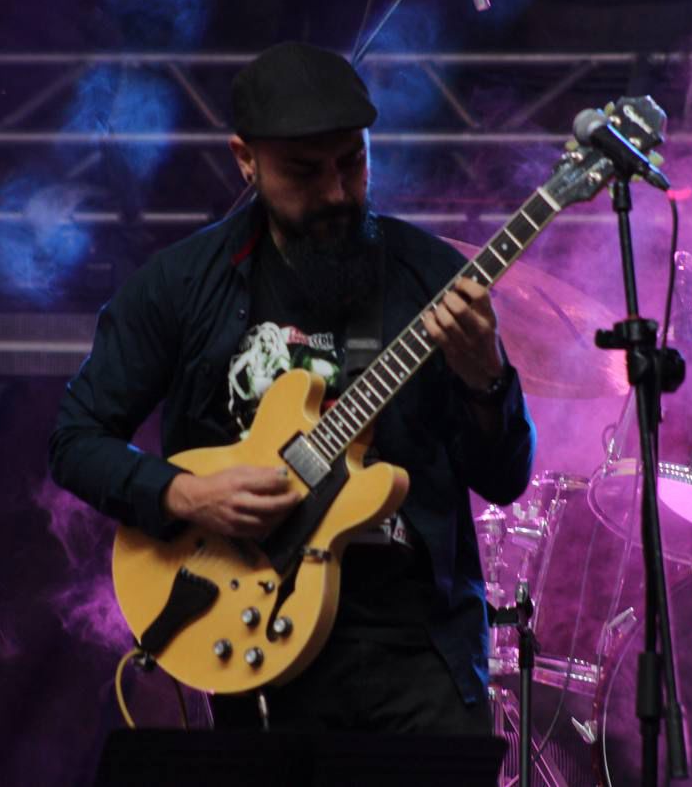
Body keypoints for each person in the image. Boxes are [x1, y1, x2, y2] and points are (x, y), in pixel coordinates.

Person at [48, 41, 536, 734]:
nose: (336, 192)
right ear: (245, 159)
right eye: (305, 171)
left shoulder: (430, 277)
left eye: (352, 162)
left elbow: (505, 479)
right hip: (257, 639)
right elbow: (75, 440)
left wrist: (487, 377)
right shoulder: (181, 286)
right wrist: (184, 493)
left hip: (420, 653)